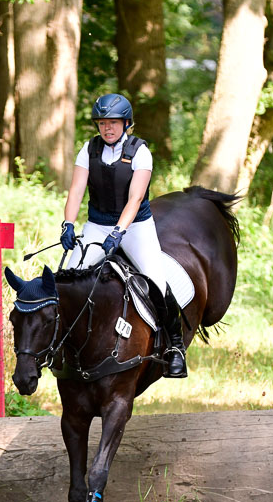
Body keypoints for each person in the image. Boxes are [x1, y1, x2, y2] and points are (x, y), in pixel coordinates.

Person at [60, 93, 187, 378]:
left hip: (135, 227)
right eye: (103, 123)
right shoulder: (88, 149)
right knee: (70, 276)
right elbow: (77, 190)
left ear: (126, 123)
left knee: (155, 280)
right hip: (96, 225)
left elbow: (135, 197)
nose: (107, 128)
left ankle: (175, 348)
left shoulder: (140, 152)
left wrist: (119, 231)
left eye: (113, 123)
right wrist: (68, 224)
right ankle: (64, 344)